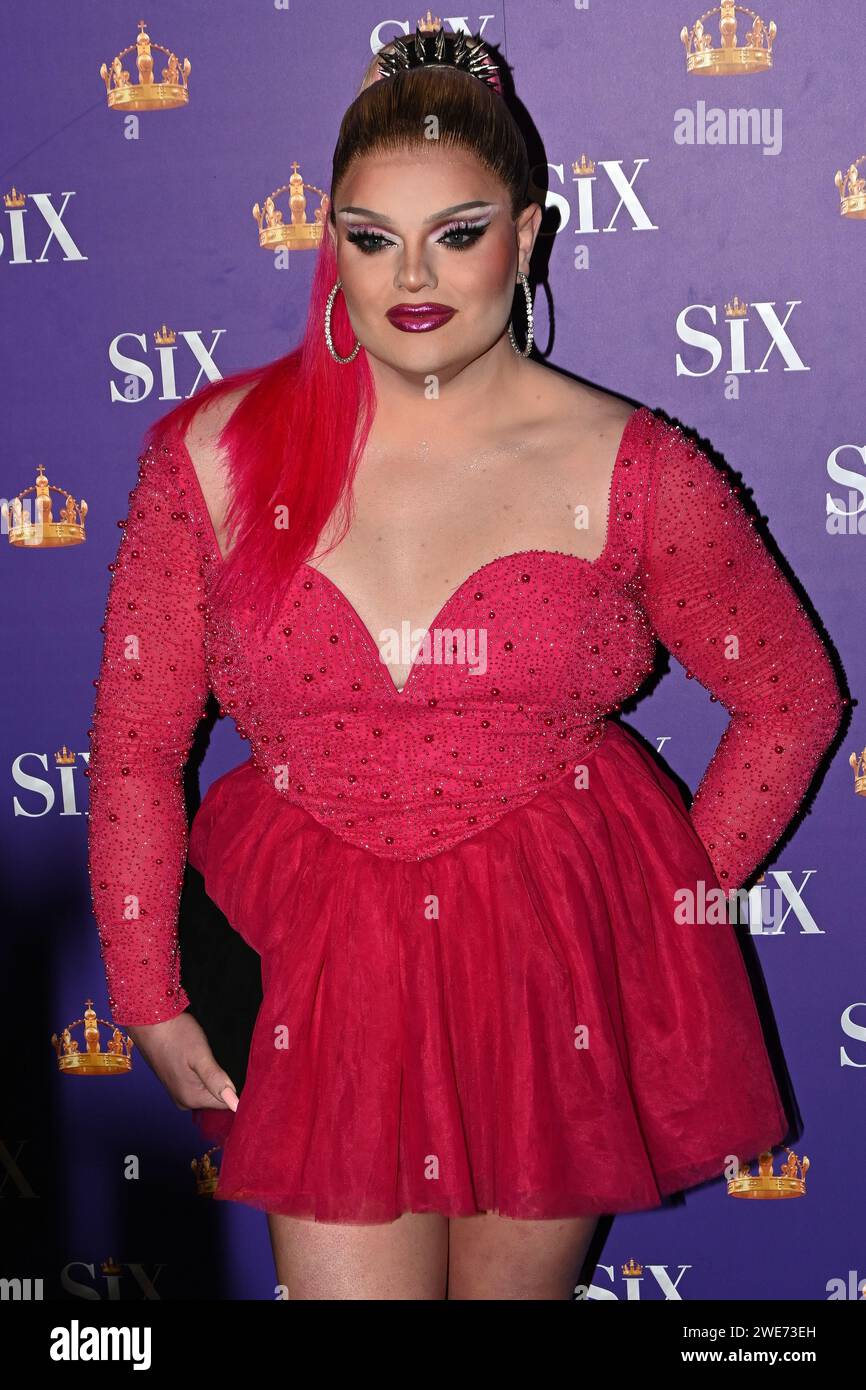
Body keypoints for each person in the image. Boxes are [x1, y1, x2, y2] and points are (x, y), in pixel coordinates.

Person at [86, 19, 846, 1300]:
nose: (410, 275)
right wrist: (146, 987)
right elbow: (138, 748)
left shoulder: (632, 464)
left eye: (458, 229)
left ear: (529, 233)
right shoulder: (210, 456)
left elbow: (789, 698)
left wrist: (655, 910)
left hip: (546, 967)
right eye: (371, 235)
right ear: (327, 237)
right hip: (313, 958)